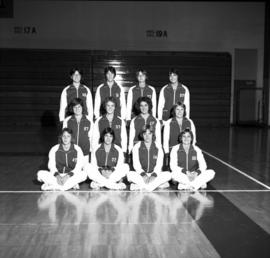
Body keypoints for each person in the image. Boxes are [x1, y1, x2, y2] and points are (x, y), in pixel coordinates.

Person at [127, 125, 171, 191]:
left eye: (149, 133)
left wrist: (154, 175)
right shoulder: (137, 147)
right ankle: (155, 186)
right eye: (145, 134)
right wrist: (143, 175)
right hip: (141, 175)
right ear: (142, 135)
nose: (147, 136)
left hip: (154, 174)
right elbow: (136, 165)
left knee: (168, 174)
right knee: (129, 174)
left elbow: (159, 165)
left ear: (152, 134)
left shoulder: (158, 147)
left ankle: (140, 186)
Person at [63, 98, 93, 165]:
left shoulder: (89, 120)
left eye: (79, 107)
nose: (77, 109)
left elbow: (91, 137)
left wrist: (91, 150)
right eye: (75, 107)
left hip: (85, 151)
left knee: (84, 171)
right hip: (71, 151)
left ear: (82, 107)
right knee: (72, 171)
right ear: (72, 108)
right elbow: (64, 137)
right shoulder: (67, 120)